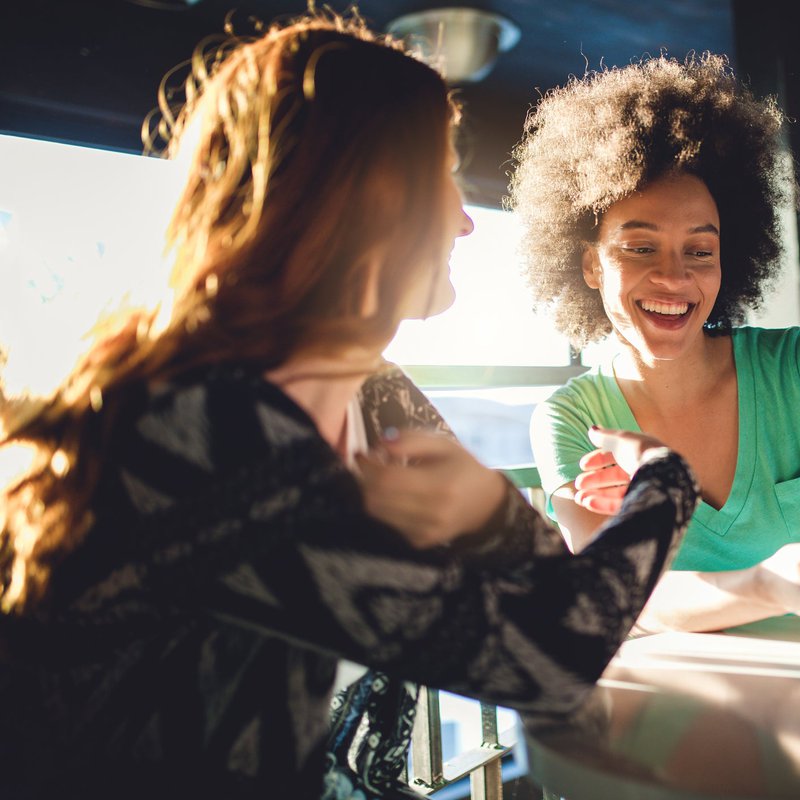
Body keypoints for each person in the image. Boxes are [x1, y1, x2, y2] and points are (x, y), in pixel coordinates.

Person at [0, 15, 696, 799]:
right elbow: (553, 659)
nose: (465, 219)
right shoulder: (206, 431)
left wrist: (488, 511)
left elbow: (547, 600)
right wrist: (667, 474)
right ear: (371, 199)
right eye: (444, 174)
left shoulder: (374, 389)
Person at [508, 53, 800, 635]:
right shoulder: (570, 418)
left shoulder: (799, 369)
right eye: (640, 248)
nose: (675, 278)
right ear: (590, 266)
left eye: (699, 251)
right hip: (672, 711)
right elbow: (618, 598)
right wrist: (769, 586)